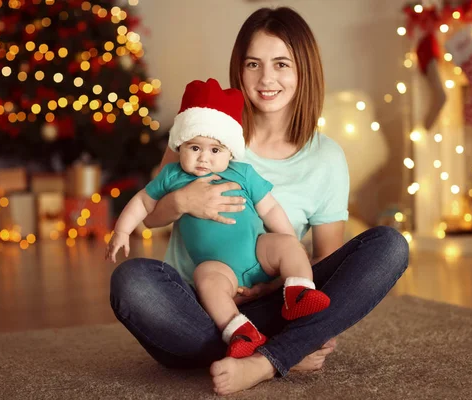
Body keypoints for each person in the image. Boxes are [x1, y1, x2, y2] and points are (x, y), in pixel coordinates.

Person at [109, 6, 409, 396]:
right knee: (131, 282)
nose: (267, 78)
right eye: (254, 64)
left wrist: (279, 292)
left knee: (389, 246)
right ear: (240, 69)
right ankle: (282, 351)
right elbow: (150, 218)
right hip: (197, 307)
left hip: (278, 305)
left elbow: (325, 261)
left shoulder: (326, 158)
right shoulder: (204, 131)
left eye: (281, 63)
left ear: (303, 70)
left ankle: (264, 360)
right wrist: (183, 201)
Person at [106, 78, 330, 359]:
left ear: (230, 151)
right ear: (180, 145)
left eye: (215, 150)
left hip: (258, 252)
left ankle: (298, 292)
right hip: (219, 269)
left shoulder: (243, 172)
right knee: (205, 279)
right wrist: (122, 231)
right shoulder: (172, 176)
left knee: (287, 246)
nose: (203, 158)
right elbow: (142, 202)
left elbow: (270, 210)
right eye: (194, 148)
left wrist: (289, 241)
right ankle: (238, 330)